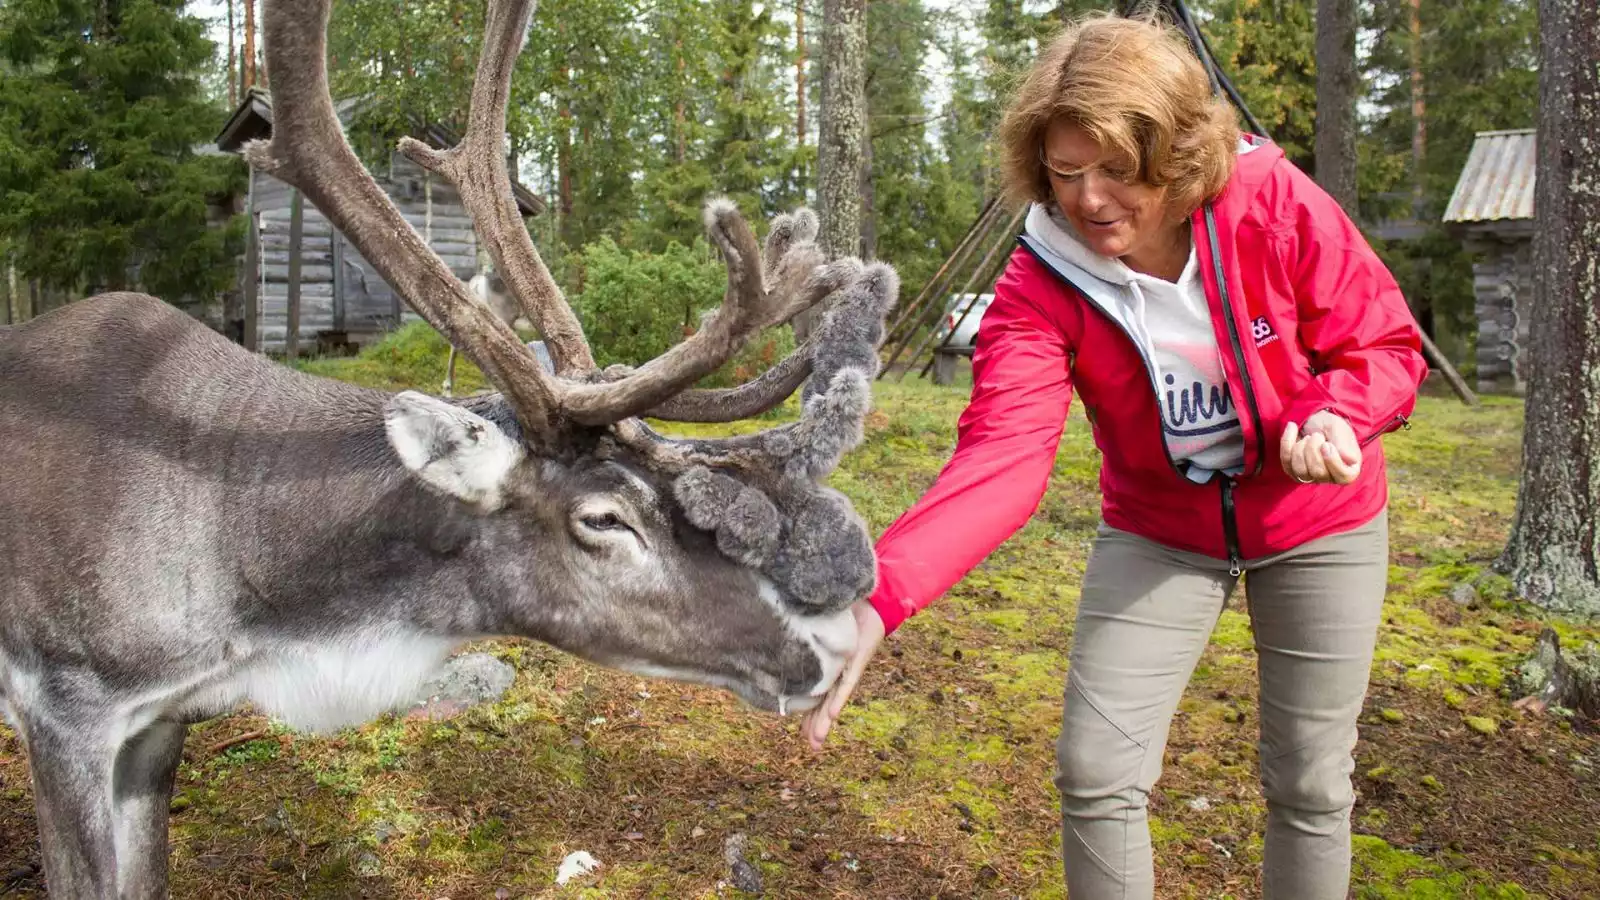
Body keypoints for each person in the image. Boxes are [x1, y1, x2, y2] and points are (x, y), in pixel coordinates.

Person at [799, 12, 1428, 900]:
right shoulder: (1038, 283)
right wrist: (880, 597)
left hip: (1315, 520)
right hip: (1160, 531)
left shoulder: (1272, 203)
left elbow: (1385, 346)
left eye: (1116, 172)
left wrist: (1335, 415)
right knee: (1096, 773)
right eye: (1065, 174)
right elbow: (1002, 460)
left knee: (1311, 781)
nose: (1090, 201)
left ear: (1173, 155)